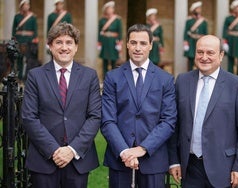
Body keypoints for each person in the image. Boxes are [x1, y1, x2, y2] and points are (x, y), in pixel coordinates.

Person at [21, 22, 101, 188]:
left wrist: (72, 150)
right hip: (44, 160)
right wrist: (54, 150)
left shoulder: (89, 76)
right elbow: (29, 117)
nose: (64, 47)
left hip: (77, 160)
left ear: (76, 47)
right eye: (58, 42)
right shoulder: (36, 76)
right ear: (50, 46)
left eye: (69, 42)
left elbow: (95, 116)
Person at [168, 35, 238, 188]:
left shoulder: (236, 84)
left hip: (224, 169)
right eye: (200, 52)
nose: (204, 57)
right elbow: (174, 125)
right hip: (189, 168)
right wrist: (174, 161)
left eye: (210, 53)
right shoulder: (182, 81)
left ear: (221, 55)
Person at [101, 24, 177, 188]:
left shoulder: (165, 79)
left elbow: (168, 121)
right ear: (126, 44)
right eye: (133, 42)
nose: (137, 48)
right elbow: (107, 121)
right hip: (120, 159)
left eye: (143, 43)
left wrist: (143, 148)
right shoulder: (112, 77)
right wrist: (124, 152)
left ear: (150, 45)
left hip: (153, 159)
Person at [12, 0, 38, 81]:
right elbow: (14, 29)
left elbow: (35, 30)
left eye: (27, 5)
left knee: (29, 59)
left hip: (29, 41)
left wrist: (35, 38)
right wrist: (13, 39)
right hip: (19, 40)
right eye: (24, 5)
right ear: (21, 6)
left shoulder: (32, 17)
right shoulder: (17, 17)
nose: (26, 6)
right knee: (19, 59)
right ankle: (19, 76)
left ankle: (27, 78)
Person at [98, 1, 123, 79]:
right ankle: (105, 78)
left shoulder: (117, 20)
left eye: (111, 8)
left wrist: (119, 42)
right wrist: (99, 42)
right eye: (108, 8)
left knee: (114, 61)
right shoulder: (102, 20)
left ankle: (114, 78)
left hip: (113, 42)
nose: (110, 10)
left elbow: (120, 32)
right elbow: (99, 32)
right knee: (105, 61)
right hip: (105, 42)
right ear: (105, 10)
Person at [183, 1, 208, 71]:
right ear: (194, 9)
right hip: (191, 42)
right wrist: (185, 42)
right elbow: (186, 32)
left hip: (200, 42)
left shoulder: (204, 21)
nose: (199, 10)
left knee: (200, 59)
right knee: (190, 60)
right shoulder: (189, 21)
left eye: (200, 8)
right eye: (198, 8)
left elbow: (206, 33)